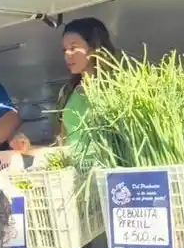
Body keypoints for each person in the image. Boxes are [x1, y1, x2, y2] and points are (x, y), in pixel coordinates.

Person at [14, 17, 115, 149]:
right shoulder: (67, 92)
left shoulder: (115, 87)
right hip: (74, 168)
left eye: (73, 48)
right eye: (64, 49)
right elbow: (62, 144)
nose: (67, 54)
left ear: (94, 47)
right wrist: (29, 148)